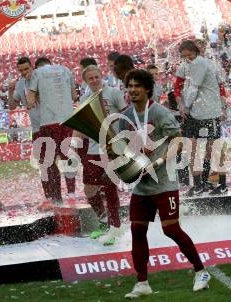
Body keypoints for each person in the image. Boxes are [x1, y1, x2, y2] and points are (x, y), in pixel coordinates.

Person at [120, 69, 210, 298]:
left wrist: (158, 161)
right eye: (129, 86)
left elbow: (178, 141)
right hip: (141, 184)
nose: (132, 90)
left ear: (147, 89)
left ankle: (201, 271)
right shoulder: (126, 116)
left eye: (136, 85)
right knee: (137, 230)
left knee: (171, 228)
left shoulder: (159, 112)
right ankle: (142, 283)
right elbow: (124, 147)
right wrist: (125, 165)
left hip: (164, 183)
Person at [71, 65, 126, 245]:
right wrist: (73, 143)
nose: (94, 81)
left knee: (110, 187)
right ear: (86, 82)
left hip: (113, 148)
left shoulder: (114, 93)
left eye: (96, 77)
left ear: (102, 76)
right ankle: (103, 221)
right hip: (94, 149)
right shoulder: (85, 99)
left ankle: (114, 227)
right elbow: (81, 127)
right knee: (89, 189)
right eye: (90, 79)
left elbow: (127, 115)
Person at [27, 57, 78, 211]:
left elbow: (30, 101)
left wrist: (36, 98)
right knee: (67, 157)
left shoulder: (37, 73)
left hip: (48, 123)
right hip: (67, 121)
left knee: (47, 161)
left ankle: (53, 199)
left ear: (37, 67)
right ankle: (72, 195)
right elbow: (74, 96)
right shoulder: (65, 69)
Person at [178, 40, 228, 196]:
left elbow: (196, 88)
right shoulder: (186, 66)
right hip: (196, 112)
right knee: (194, 148)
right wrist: (182, 105)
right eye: (184, 56)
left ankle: (218, 183)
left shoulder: (203, 64)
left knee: (211, 148)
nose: (187, 58)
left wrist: (185, 106)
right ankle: (202, 184)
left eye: (189, 55)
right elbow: (177, 86)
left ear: (198, 51)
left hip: (207, 112)